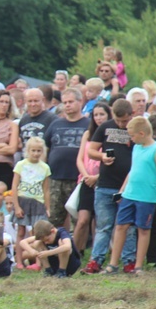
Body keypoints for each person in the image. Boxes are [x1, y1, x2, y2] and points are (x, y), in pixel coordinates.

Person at [82, 99, 135, 274]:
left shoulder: (136, 128)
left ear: (131, 115)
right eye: (118, 121)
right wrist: (102, 157)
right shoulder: (104, 127)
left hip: (129, 186)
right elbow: (91, 150)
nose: (121, 124)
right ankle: (96, 261)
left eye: (125, 121)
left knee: (128, 226)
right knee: (104, 226)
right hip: (105, 183)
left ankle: (129, 261)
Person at [100, 117, 156, 276]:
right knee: (120, 226)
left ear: (141, 133)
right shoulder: (136, 148)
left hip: (147, 197)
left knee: (143, 229)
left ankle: (138, 266)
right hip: (129, 195)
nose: (131, 139)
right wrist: (122, 190)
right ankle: (113, 264)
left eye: (132, 136)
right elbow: (133, 171)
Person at [44, 88, 89, 227]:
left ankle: (77, 248)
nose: (67, 105)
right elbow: (46, 147)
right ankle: (52, 246)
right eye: (65, 102)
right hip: (55, 178)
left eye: (70, 102)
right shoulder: (56, 123)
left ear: (80, 101)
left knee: (78, 220)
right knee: (53, 219)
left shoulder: (89, 124)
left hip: (78, 178)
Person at [73, 102, 110, 252]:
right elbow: (80, 158)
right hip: (86, 181)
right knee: (82, 220)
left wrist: (97, 177)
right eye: (96, 115)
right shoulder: (88, 134)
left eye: (102, 114)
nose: (99, 118)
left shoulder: (110, 135)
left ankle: (96, 255)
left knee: (99, 222)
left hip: (103, 181)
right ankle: (73, 253)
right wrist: (87, 176)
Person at [10, 137, 51, 269]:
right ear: (28, 151)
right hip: (23, 200)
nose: (36, 153)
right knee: (21, 231)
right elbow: (14, 186)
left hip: (37, 203)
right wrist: (16, 206)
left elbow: (46, 189)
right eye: (33, 150)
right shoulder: (21, 165)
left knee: (37, 233)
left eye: (39, 151)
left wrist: (47, 207)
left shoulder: (45, 168)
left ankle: (38, 262)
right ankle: (19, 261)